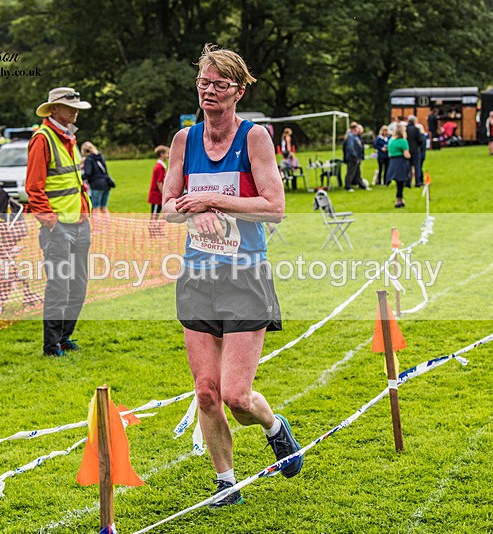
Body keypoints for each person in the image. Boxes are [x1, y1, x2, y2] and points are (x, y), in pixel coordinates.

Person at [162, 43, 301, 508]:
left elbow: (275, 208)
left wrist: (214, 202)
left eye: (220, 84)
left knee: (237, 396)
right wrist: (189, 212)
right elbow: (168, 206)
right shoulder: (184, 140)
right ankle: (227, 482)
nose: (209, 91)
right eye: (204, 82)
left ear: (238, 91)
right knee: (206, 392)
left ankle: (275, 427)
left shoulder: (254, 138)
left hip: (245, 275)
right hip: (198, 276)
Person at [25, 87, 93, 357]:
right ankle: (51, 346)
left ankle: (64, 338)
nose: (75, 112)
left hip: (79, 223)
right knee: (59, 287)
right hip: (59, 228)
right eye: (69, 107)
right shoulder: (43, 139)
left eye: (76, 107)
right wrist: (50, 222)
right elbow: (34, 187)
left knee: (78, 285)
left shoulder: (69, 138)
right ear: (54, 109)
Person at [81, 141, 112, 215]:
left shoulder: (88, 159)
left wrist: (80, 178)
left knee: (95, 208)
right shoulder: (100, 156)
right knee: (104, 208)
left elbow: (88, 173)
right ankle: (108, 225)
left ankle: (96, 226)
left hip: (96, 185)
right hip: (106, 183)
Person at [385, 123, 411, 208]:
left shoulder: (391, 141)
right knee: (401, 182)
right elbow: (406, 154)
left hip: (393, 161)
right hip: (401, 161)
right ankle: (399, 200)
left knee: (398, 182)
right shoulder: (403, 141)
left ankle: (400, 199)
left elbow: (389, 152)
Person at [343, 122, 368, 191]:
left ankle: (362, 185)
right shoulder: (350, 136)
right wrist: (354, 155)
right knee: (351, 172)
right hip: (352, 158)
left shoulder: (355, 136)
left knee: (357, 172)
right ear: (354, 129)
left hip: (357, 157)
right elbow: (350, 147)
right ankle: (347, 186)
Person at [147, 145, 169, 217]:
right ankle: (152, 228)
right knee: (154, 214)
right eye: (166, 153)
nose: (167, 156)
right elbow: (159, 183)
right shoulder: (159, 167)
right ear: (162, 154)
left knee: (159, 213)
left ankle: (157, 227)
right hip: (156, 196)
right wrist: (164, 195)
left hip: (159, 196)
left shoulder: (161, 166)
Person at [406, 115, 424, 186]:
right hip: (416, 150)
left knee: (408, 166)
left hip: (407, 150)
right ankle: (417, 182)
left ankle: (408, 182)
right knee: (417, 166)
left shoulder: (405, 129)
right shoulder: (416, 129)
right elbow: (420, 140)